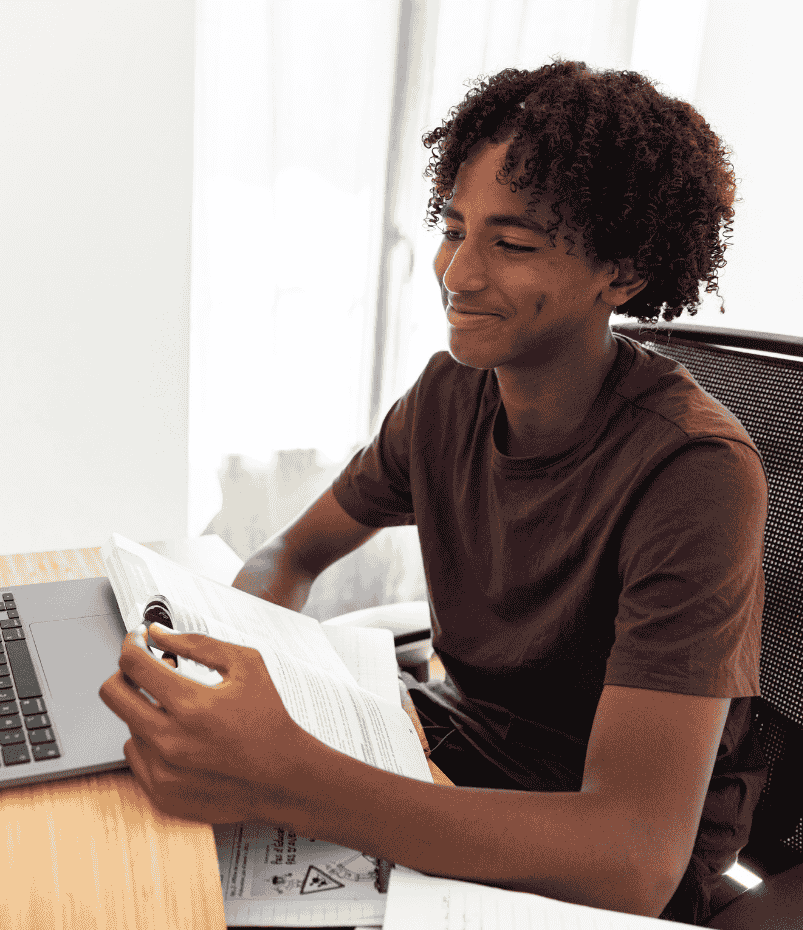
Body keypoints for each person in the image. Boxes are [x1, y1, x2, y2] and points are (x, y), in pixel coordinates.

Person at [99, 60, 766, 923]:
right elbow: (290, 555)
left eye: (513, 244)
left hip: (587, 851)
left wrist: (290, 774)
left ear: (624, 273)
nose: (457, 271)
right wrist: (218, 658)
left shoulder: (696, 473)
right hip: (454, 752)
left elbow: (632, 855)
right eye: (454, 228)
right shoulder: (448, 398)